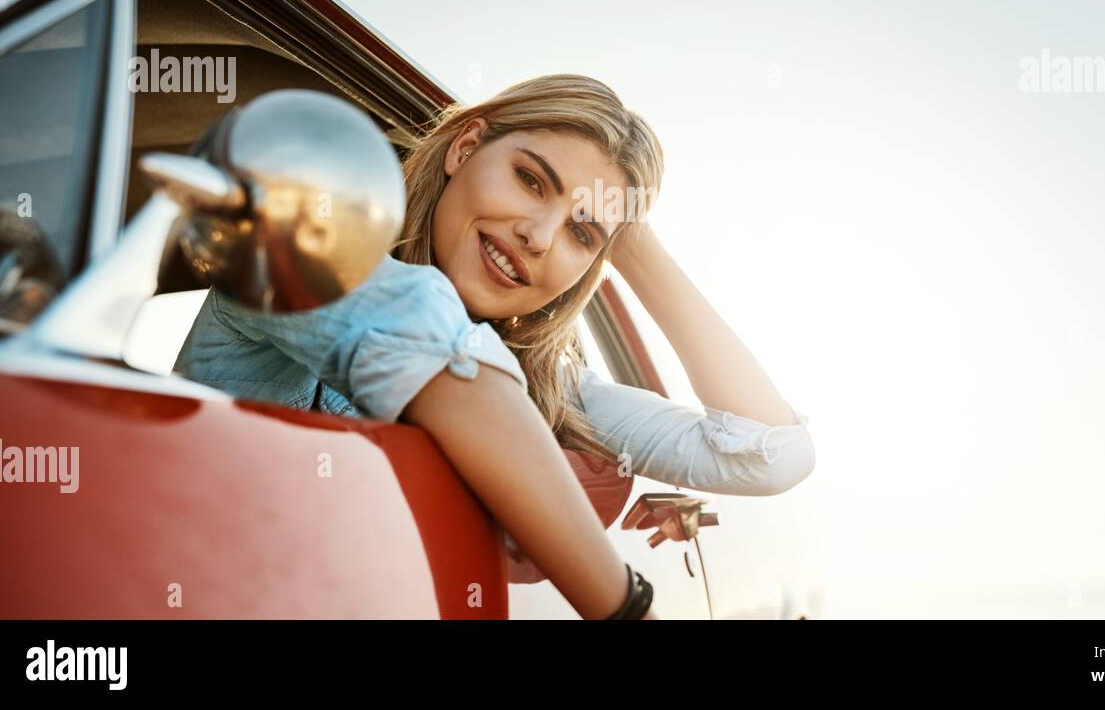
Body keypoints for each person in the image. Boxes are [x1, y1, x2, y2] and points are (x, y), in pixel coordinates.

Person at [173, 74, 815, 620]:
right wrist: (626, 609)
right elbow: (439, 356)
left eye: (582, 234)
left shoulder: (547, 389)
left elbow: (773, 455)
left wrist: (635, 244)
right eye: (531, 181)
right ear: (466, 146)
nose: (538, 236)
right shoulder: (300, 266)